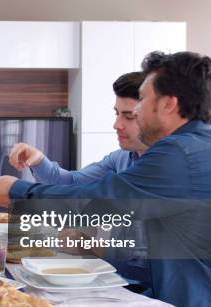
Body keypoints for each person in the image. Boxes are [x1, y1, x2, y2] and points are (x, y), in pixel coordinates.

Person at [0, 51, 211, 307]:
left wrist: (16, 191)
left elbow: (95, 204)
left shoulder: (183, 155)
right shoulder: (201, 148)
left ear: (168, 104)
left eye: (141, 99)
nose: (136, 112)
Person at [8, 71, 150, 288]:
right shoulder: (120, 158)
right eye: (116, 114)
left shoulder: (166, 170)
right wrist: (38, 160)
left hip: (146, 289)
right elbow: (73, 183)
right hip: (116, 280)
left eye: (128, 116)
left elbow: (146, 261)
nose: (116, 124)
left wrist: (90, 247)